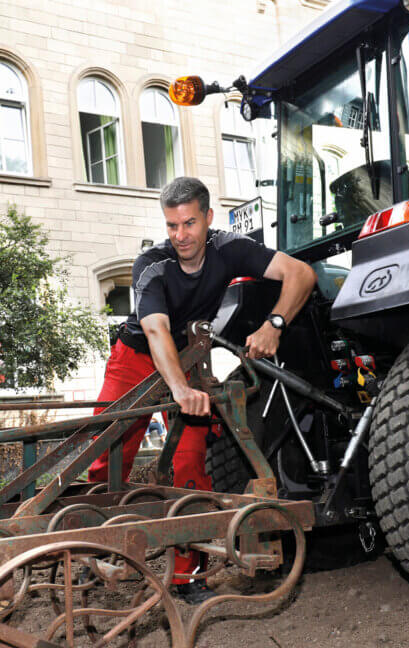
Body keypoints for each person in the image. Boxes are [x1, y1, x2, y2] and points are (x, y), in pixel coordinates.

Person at [86, 176, 316, 603]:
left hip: (190, 358)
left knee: (192, 464)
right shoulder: (151, 264)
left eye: (189, 224)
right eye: (172, 226)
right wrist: (178, 389)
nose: (180, 235)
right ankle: (97, 550)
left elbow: (300, 274)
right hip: (135, 358)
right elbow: (155, 331)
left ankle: (187, 575)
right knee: (107, 453)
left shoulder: (230, 248)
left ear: (209, 218)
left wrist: (274, 325)